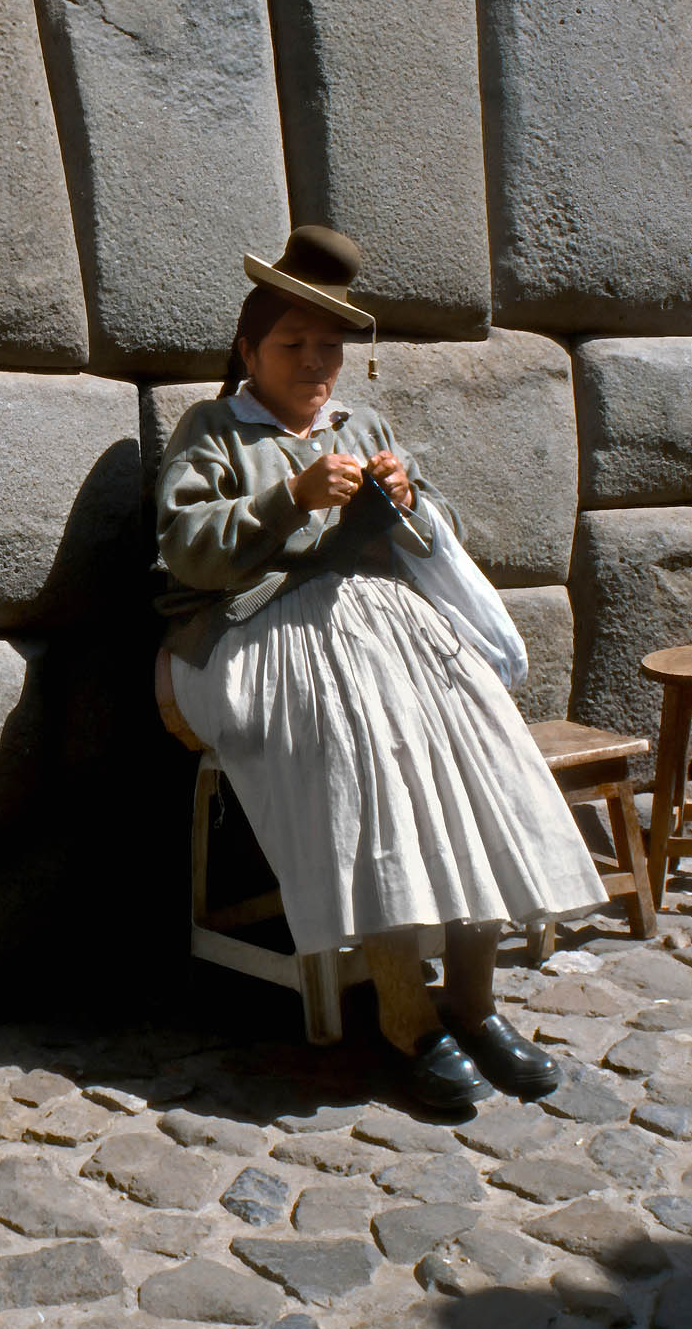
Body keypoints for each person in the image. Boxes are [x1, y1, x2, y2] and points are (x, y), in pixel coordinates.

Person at [156, 226, 609, 1111]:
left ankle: (474, 1003)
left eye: (329, 346)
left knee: (474, 740)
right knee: (361, 751)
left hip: (388, 623)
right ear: (250, 349)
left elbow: (438, 534)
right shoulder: (214, 430)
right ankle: (409, 1015)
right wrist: (287, 497)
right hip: (258, 632)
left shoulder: (362, 424)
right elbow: (185, 551)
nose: (315, 362)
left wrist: (411, 497)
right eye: (293, 344)